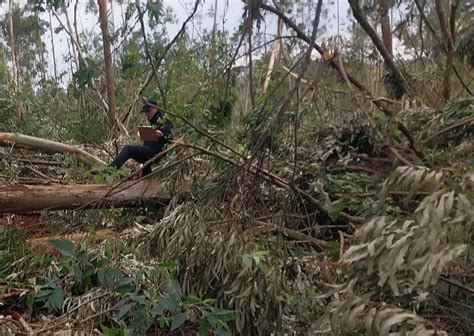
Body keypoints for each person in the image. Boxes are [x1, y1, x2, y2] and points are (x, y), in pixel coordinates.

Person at [110, 100, 173, 177]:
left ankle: (110, 170)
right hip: (149, 153)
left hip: (157, 152)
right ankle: (146, 177)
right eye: (146, 113)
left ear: (155, 109)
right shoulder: (152, 122)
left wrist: (161, 133)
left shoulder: (164, 120)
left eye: (149, 112)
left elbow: (170, 135)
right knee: (144, 156)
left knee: (128, 149)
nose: (147, 114)